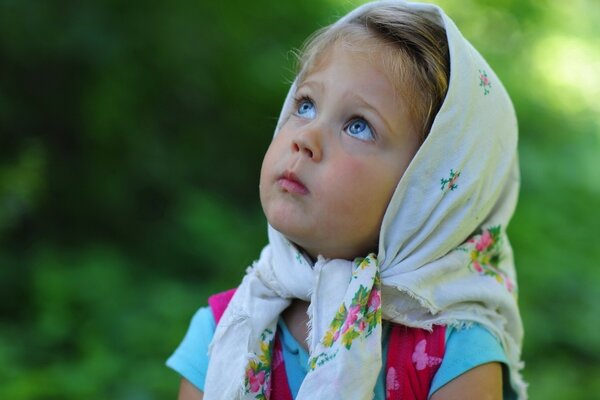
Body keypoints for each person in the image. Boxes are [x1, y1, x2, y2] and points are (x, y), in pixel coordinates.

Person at [167, 1, 527, 399]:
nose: (305, 138)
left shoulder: (455, 355)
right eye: (305, 105)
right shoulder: (227, 333)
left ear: (430, 195)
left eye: (358, 126)